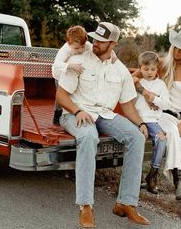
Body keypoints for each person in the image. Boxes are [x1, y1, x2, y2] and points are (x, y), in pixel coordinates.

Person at [56, 22, 151, 227]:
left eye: (101, 40)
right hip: (75, 112)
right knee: (89, 136)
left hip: (104, 115)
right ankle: (86, 206)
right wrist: (78, 110)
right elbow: (61, 96)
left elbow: (127, 104)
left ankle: (125, 203)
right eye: (95, 38)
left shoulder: (121, 70)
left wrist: (141, 123)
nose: (95, 43)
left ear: (113, 43)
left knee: (136, 137)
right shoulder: (79, 60)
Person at [135, 27, 181, 220]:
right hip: (165, 116)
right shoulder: (164, 65)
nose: (177, 53)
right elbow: (135, 76)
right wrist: (145, 92)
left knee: (178, 143)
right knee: (173, 135)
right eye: (175, 48)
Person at [133, 51, 170, 194]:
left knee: (161, 140)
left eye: (153, 69)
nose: (149, 72)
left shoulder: (160, 85)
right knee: (137, 142)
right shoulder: (137, 82)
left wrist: (154, 99)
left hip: (153, 121)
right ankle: (136, 177)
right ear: (140, 67)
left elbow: (166, 104)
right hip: (138, 120)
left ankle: (153, 175)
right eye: (146, 69)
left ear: (157, 69)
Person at [52, 25, 92, 124]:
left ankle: (72, 110)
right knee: (61, 95)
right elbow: (57, 63)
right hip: (59, 74)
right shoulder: (65, 50)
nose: (80, 50)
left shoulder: (87, 45)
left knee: (72, 93)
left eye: (82, 47)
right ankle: (57, 114)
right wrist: (71, 65)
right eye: (76, 48)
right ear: (70, 43)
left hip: (73, 73)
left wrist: (112, 54)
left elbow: (94, 50)